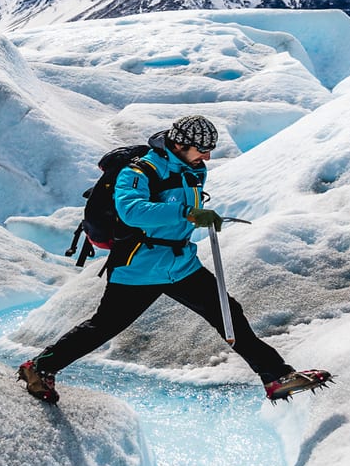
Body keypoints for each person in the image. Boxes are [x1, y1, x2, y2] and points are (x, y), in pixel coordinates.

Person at [18, 114, 329, 404]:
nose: (207, 157)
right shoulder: (139, 171)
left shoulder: (192, 170)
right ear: (179, 144)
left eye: (209, 150)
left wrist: (200, 218)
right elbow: (132, 211)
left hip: (180, 263)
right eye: (201, 150)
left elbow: (183, 210)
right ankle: (40, 366)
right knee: (103, 327)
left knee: (228, 312)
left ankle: (276, 377)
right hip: (139, 266)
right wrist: (187, 212)